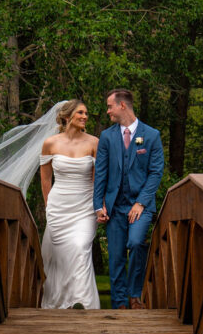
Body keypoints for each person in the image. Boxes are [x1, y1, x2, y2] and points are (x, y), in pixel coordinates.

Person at [93, 88, 164, 309]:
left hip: (140, 206)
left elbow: (156, 173)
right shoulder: (107, 137)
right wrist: (98, 206)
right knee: (115, 256)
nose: (108, 111)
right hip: (115, 207)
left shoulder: (151, 135)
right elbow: (101, 173)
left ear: (122, 105)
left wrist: (140, 202)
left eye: (110, 106)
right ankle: (119, 304)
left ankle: (134, 296)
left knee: (135, 243)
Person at [39, 99, 101, 310]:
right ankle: (60, 302)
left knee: (80, 247)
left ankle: (82, 302)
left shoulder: (94, 142)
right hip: (58, 207)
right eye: (80, 113)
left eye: (86, 113)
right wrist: (49, 208)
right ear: (67, 117)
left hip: (85, 207)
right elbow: (46, 180)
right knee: (60, 256)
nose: (85, 117)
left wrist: (99, 206)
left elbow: (97, 180)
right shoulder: (50, 143)